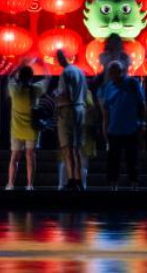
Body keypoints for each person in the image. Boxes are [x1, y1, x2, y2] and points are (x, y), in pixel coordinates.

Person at [100, 61, 146, 191]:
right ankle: (113, 186)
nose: (111, 76)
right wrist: (105, 127)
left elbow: (142, 104)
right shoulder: (109, 87)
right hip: (114, 130)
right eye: (110, 73)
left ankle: (134, 186)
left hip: (131, 128)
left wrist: (143, 123)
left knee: (133, 159)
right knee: (113, 161)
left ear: (120, 72)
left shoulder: (132, 83)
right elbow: (106, 109)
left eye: (113, 73)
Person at [6, 62, 47, 190]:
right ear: (31, 77)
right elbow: (48, 78)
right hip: (32, 129)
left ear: (19, 76)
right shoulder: (36, 89)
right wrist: (43, 65)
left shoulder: (14, 90)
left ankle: (10, 184)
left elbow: (9, 77)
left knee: (14, 158)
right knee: (30, 156)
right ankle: (30, 185)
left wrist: (19, 65)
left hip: (17, 129)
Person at [54, 49, 87, 191]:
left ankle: (71, 180)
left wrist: (56, 100)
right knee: (76, 148)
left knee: (67, 148)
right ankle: (79, 180)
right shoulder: (80, 72)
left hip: (68, 111)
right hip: (80, 109)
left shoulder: (65, 73)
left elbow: (68, 96)